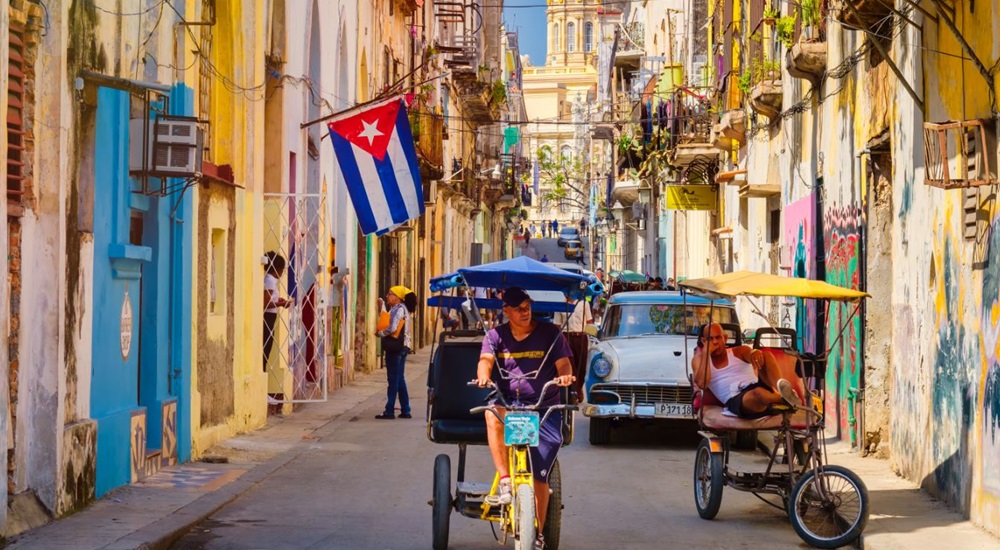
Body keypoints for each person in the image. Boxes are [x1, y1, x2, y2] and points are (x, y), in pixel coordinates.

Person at [474, 288, 575, 550]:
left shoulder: (551, 334)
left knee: (540, 477)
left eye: (527, 305)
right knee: (491, 414)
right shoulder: (495, 335)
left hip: (543, 407)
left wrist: (564, 376)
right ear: (506, 310)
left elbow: (564, 363)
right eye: (518, 307)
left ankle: (538, 533)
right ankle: (505, 480)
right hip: (510, 403)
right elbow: (485, 360)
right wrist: (484, 375)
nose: (525, 311)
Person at [691, 323, 805, 418]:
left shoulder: (738, 351)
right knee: (758, 393)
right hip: (737, 398)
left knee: (767, 355)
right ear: (703, 341)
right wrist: (706, 353)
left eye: (718, 338)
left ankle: (783, 392)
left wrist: (755, 353)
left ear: (725, 338)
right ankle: (786, 399)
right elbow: (702, 383)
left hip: (757, 386)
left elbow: (750, 354)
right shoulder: (699, 360)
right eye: (710, 339)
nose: (715, 342)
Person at [375, 285, 418, 419]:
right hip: (403, 346)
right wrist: (382, 307)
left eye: (390, 294)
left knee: (393, 379)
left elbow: (392, 328)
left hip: (396, 347)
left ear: (397, 298)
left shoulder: (399, 310)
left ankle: (389, 410)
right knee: (400, 378)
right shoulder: (400, 309)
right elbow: (387, 318)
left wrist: (380, 333)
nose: (388, 296)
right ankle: (405, 409)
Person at [553, 297, 594, 398]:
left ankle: (578, 388)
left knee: (582, 366)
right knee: (570, 364)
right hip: (566, 337)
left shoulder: (584, 303)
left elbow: (590, 322)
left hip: (581, 337)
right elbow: (557, 325)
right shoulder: (560, 304)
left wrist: (593, 336)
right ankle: (575, 393)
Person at [263, 251, 292, 371]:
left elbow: (269, 298)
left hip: (270, 317)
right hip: (268, 318)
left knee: (266, 349)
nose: (282, 272)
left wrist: (278, 300)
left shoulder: (269, 280)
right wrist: (281, 304)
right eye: (282, 269)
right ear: (277, 268)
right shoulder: (270, 281)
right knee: (266, 349)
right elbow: (265, 303)